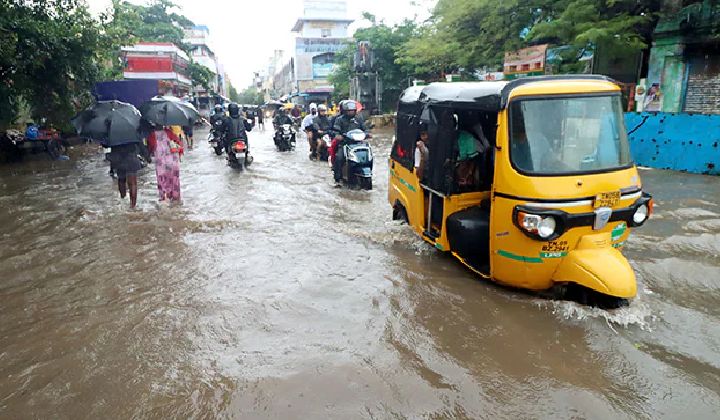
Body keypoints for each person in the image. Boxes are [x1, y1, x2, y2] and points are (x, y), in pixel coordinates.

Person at [331, 100, 366, 186]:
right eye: (349, 111)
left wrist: (368, 134)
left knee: (366, 156)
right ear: (345, 111)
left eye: (352, 110)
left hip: (358, 144)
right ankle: (337, 179)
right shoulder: (339, 120)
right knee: (339, 157)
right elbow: (335, 131)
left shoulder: (359, 119)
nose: (351, 112)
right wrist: (338, 136)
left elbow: (365, 129)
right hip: (345, 144)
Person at [147, 126, 182, 202]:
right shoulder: (170, 133)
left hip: (161, 165)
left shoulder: (151, 135)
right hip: (173, 163)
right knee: (174, 182)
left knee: (162, 182)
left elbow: (150, 148)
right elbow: (179, 145)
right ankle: (176, 201)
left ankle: (164, 199)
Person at [107, 142, 143, 208]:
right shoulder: (132, 132)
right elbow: (139, 143)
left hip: (118, 159)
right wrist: (146, 155)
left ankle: (123, 200)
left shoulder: (113, 134)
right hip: (131, 157)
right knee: (133, 183)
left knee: (121, 179)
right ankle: (133, 205)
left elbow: (107, 145)